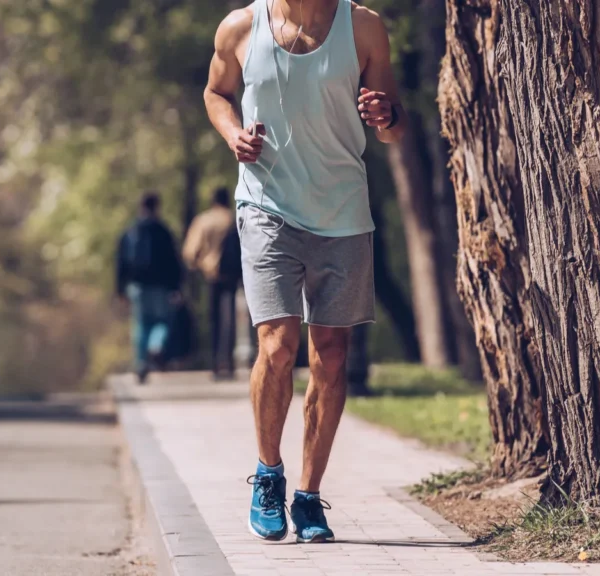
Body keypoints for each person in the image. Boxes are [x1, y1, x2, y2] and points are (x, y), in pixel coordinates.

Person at [204, 0, 406, 543]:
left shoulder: (362, 27)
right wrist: (232, 135)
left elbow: (392, 128)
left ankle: (310, 498)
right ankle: (268, 474)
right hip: (266, 206)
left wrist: (385, 116)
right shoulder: (242, 26)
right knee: (276, 345)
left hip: (342, 212)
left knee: (332, 356)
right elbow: (217, 93)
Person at [116, 192, 183, 384]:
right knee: (162, 321)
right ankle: (156, 346)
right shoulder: (164, 231)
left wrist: (120, 289)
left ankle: (141, 363)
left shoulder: (130, 231)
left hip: (137, 286)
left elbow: (121, 262)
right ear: (157, 207)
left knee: (141, 325)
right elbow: (173, 261)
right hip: (161, 286)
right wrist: (176, 287)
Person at [182, 187, 242, 381]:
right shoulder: (235, 218)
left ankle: (216, 363)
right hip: (233, 274)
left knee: (214, 319)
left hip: (211, 275)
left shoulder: (203, 220)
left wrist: (203, 264)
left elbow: (190, 253)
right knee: (231, 317)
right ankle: (230, 362)